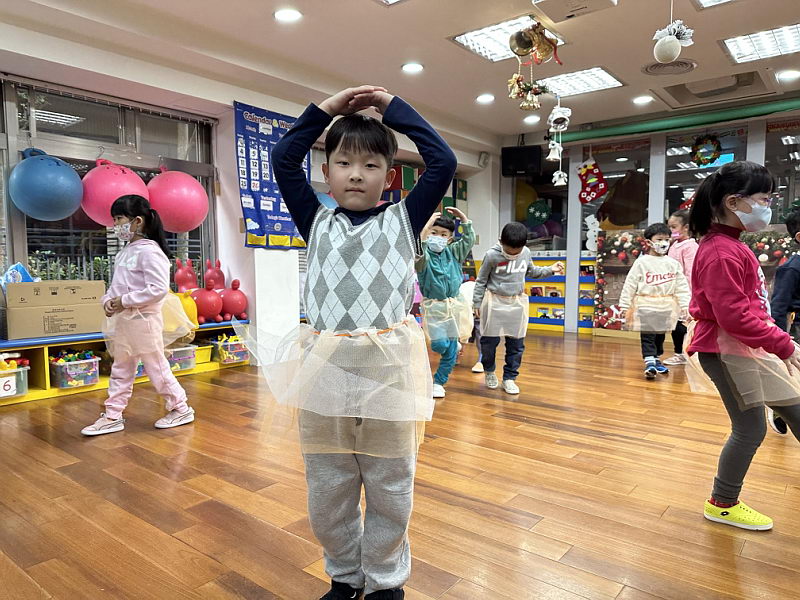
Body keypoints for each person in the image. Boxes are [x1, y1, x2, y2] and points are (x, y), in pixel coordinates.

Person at [271, 85, 457, 600]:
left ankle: (385, 582)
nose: (356, 173)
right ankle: (345, 575)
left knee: (391, 488)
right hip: (324, 376)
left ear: (389, 177)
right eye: (344, 163)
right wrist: (326, 111)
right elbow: (283, 157)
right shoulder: (315, 219)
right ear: (326, 172)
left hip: (388, 376)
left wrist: (393, 109)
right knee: (327, 489)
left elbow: (443, 161)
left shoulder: (404, 219)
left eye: (371, 165)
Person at [687, 160, 800, 531]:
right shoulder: (720, 251)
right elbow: (734, 317)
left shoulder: (732, 245)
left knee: (796, 411)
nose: (768, 206)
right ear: (734, 202)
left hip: (749, 349)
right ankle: (722, 503)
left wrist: (777, 342)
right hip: (728, 352)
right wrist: (785, 345)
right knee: (750, 429)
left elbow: (752, 308)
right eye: (764, 199)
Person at [81, 194, 195, 436]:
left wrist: (124, 301)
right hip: (124, 321)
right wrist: (108, 301)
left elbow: (157, 289)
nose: (115, 224)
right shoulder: (125, 252)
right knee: (121, 368)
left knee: (156, 367)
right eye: (114, 219)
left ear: (138, 221)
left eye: (119, 218)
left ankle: (181, 408)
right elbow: (117, 286)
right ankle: (113, 415)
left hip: (144, 321)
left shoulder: (150, 252)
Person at [472, 222, 563, 395]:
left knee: (516, 344)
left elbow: (532, 271)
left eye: (517, 251)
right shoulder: (491, 255)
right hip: (494, 302)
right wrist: (476, 303)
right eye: (509, 251)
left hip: (517, 302)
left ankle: (509, 378)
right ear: (501, 242)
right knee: (488, 343)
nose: (513, 255)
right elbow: (481, 280)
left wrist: (551, 269)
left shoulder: (526, 253)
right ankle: (489, 370)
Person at [416, 207, 475, 398]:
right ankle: (453, 346)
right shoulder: (423, 257)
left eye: (443, 234)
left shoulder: (453, 252)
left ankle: (439, 382)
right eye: (434, 232)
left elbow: (468, 240)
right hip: (434, 307)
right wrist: (425, 227)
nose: (438, 237)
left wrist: (464, 220)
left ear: (449, 239)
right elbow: (418, 250)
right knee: (439, 345)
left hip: (455, 305)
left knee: (449, 351)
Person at [619, 222, 690, 380]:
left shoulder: (673, 264)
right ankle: (649, 361)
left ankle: (656, 358)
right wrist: (624, 305)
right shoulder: (642, 263)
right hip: (646, 304)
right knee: (648, 334)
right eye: (659, 239)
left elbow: (681, 286)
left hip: (666, 306)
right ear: (649, 242)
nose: (663, 243)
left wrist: (685, 305)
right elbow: (630, 284)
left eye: (666, 239)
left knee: (660, 335)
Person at [663, 209, 698, 365]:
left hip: (684, 294)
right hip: (673, 293)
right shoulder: (674, 245)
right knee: (675, 324)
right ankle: (680, 353)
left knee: (682, 324)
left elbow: (691, 272)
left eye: (674, 227)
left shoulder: (690, 246)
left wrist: (689, 295)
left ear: (686, 227)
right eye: (669, 227)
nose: (671, 231)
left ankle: (685, 354)